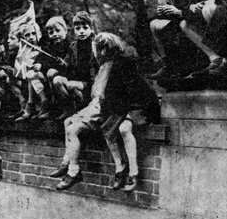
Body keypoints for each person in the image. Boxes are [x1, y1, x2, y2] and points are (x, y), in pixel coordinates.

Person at [53, 33, 160, 191]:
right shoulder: (103, 66)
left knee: (121, 129)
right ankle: (114, 167)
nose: (102, 53)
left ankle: (132, 172)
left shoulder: (121, 64)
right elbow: (99, 93)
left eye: (105, 49)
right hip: (114, 107)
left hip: (134, 106)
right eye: (100, 49)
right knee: (95, 128)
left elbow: (131, 92)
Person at [148, 0, 197, 79]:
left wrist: (178, 11)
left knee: (171, 31)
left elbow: (192, 7)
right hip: (180, 21)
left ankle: (179, 65)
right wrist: (163, 12)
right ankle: (166, 63)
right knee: (154, 24)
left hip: (191, 24)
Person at [51, 11, 98, 121]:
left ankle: (81, 103)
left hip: (90, 82)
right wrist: (62, 63)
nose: (81, 31)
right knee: (57, 80)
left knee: (71, 85)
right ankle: (69, 108)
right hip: (76, 80)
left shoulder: (95, 45)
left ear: (91, 29)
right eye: (78, 28)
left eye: (85, 28)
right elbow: (67, 64)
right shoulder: (73, 46)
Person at [25, 16, 71, 120]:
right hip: (51, 76)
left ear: (66, 31)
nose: (55, 34)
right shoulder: (50, 47)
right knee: (33, 74)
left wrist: (46, 65)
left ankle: (58, 106)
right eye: (51, 32)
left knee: (50, 72)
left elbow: (67, 63)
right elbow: (43, 59)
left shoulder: (69, 46)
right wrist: (39, 65)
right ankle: (44, 103)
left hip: (65, 75)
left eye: (58, 30)